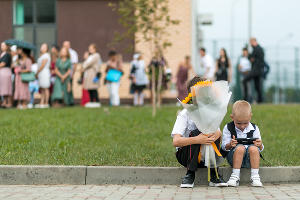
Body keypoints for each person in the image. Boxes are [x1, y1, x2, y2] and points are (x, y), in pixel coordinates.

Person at [171, 76, 227, 188]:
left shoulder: (211, 111)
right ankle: (190, 174)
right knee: (196, 133)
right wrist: (197, 139)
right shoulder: (185, 114)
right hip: (186, 156)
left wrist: (211, 135)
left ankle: (213, 174)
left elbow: (219, 133)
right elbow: (176, 141)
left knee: (212, 132)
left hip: (206, 156)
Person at [221, 100, 264, 187]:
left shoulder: (254, 128)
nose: (242, 126)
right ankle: (235, 176)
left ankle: (255, 176)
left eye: (245, 123)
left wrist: (260, 145)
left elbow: (261, 148)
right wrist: (230, 144)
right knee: (240, 148)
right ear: (232, 117)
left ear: (250, 117)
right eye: (238, 123)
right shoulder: (228, 128)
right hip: (234, 157)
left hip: (249, 160)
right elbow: (223, 146)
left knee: (254, 148)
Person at [243, 38, 265, 103]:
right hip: (258, 70)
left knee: (245, 80)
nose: (250, 44)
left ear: (254, 41)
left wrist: (248, 55)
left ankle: (245, 98)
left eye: (251, 42)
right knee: (257, 86)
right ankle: (260, 101)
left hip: (256, 70)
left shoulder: (257, 49)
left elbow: (252, 59)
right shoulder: (259, 49)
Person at [36, 43, 51, 108]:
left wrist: (37, 72)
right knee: (42, 88)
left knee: (46, 88)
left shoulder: (46, 55)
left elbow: (42, 65)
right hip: (41, 73)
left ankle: (46, 102)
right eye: (42, 47)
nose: (42, 48)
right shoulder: (41, 56)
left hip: (44, 72)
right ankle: (42, 102)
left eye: (44, 47)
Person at [0, 42, 13, 108]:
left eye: (3, 45)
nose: (2, 47)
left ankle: (9, 102)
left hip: (6, 72)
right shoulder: (2, 54)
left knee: (7, 88)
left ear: (6, 47)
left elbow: (3, 64)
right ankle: (4, 102)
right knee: (3, 88)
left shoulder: (7, 54)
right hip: (2, 73)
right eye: (1, 45)